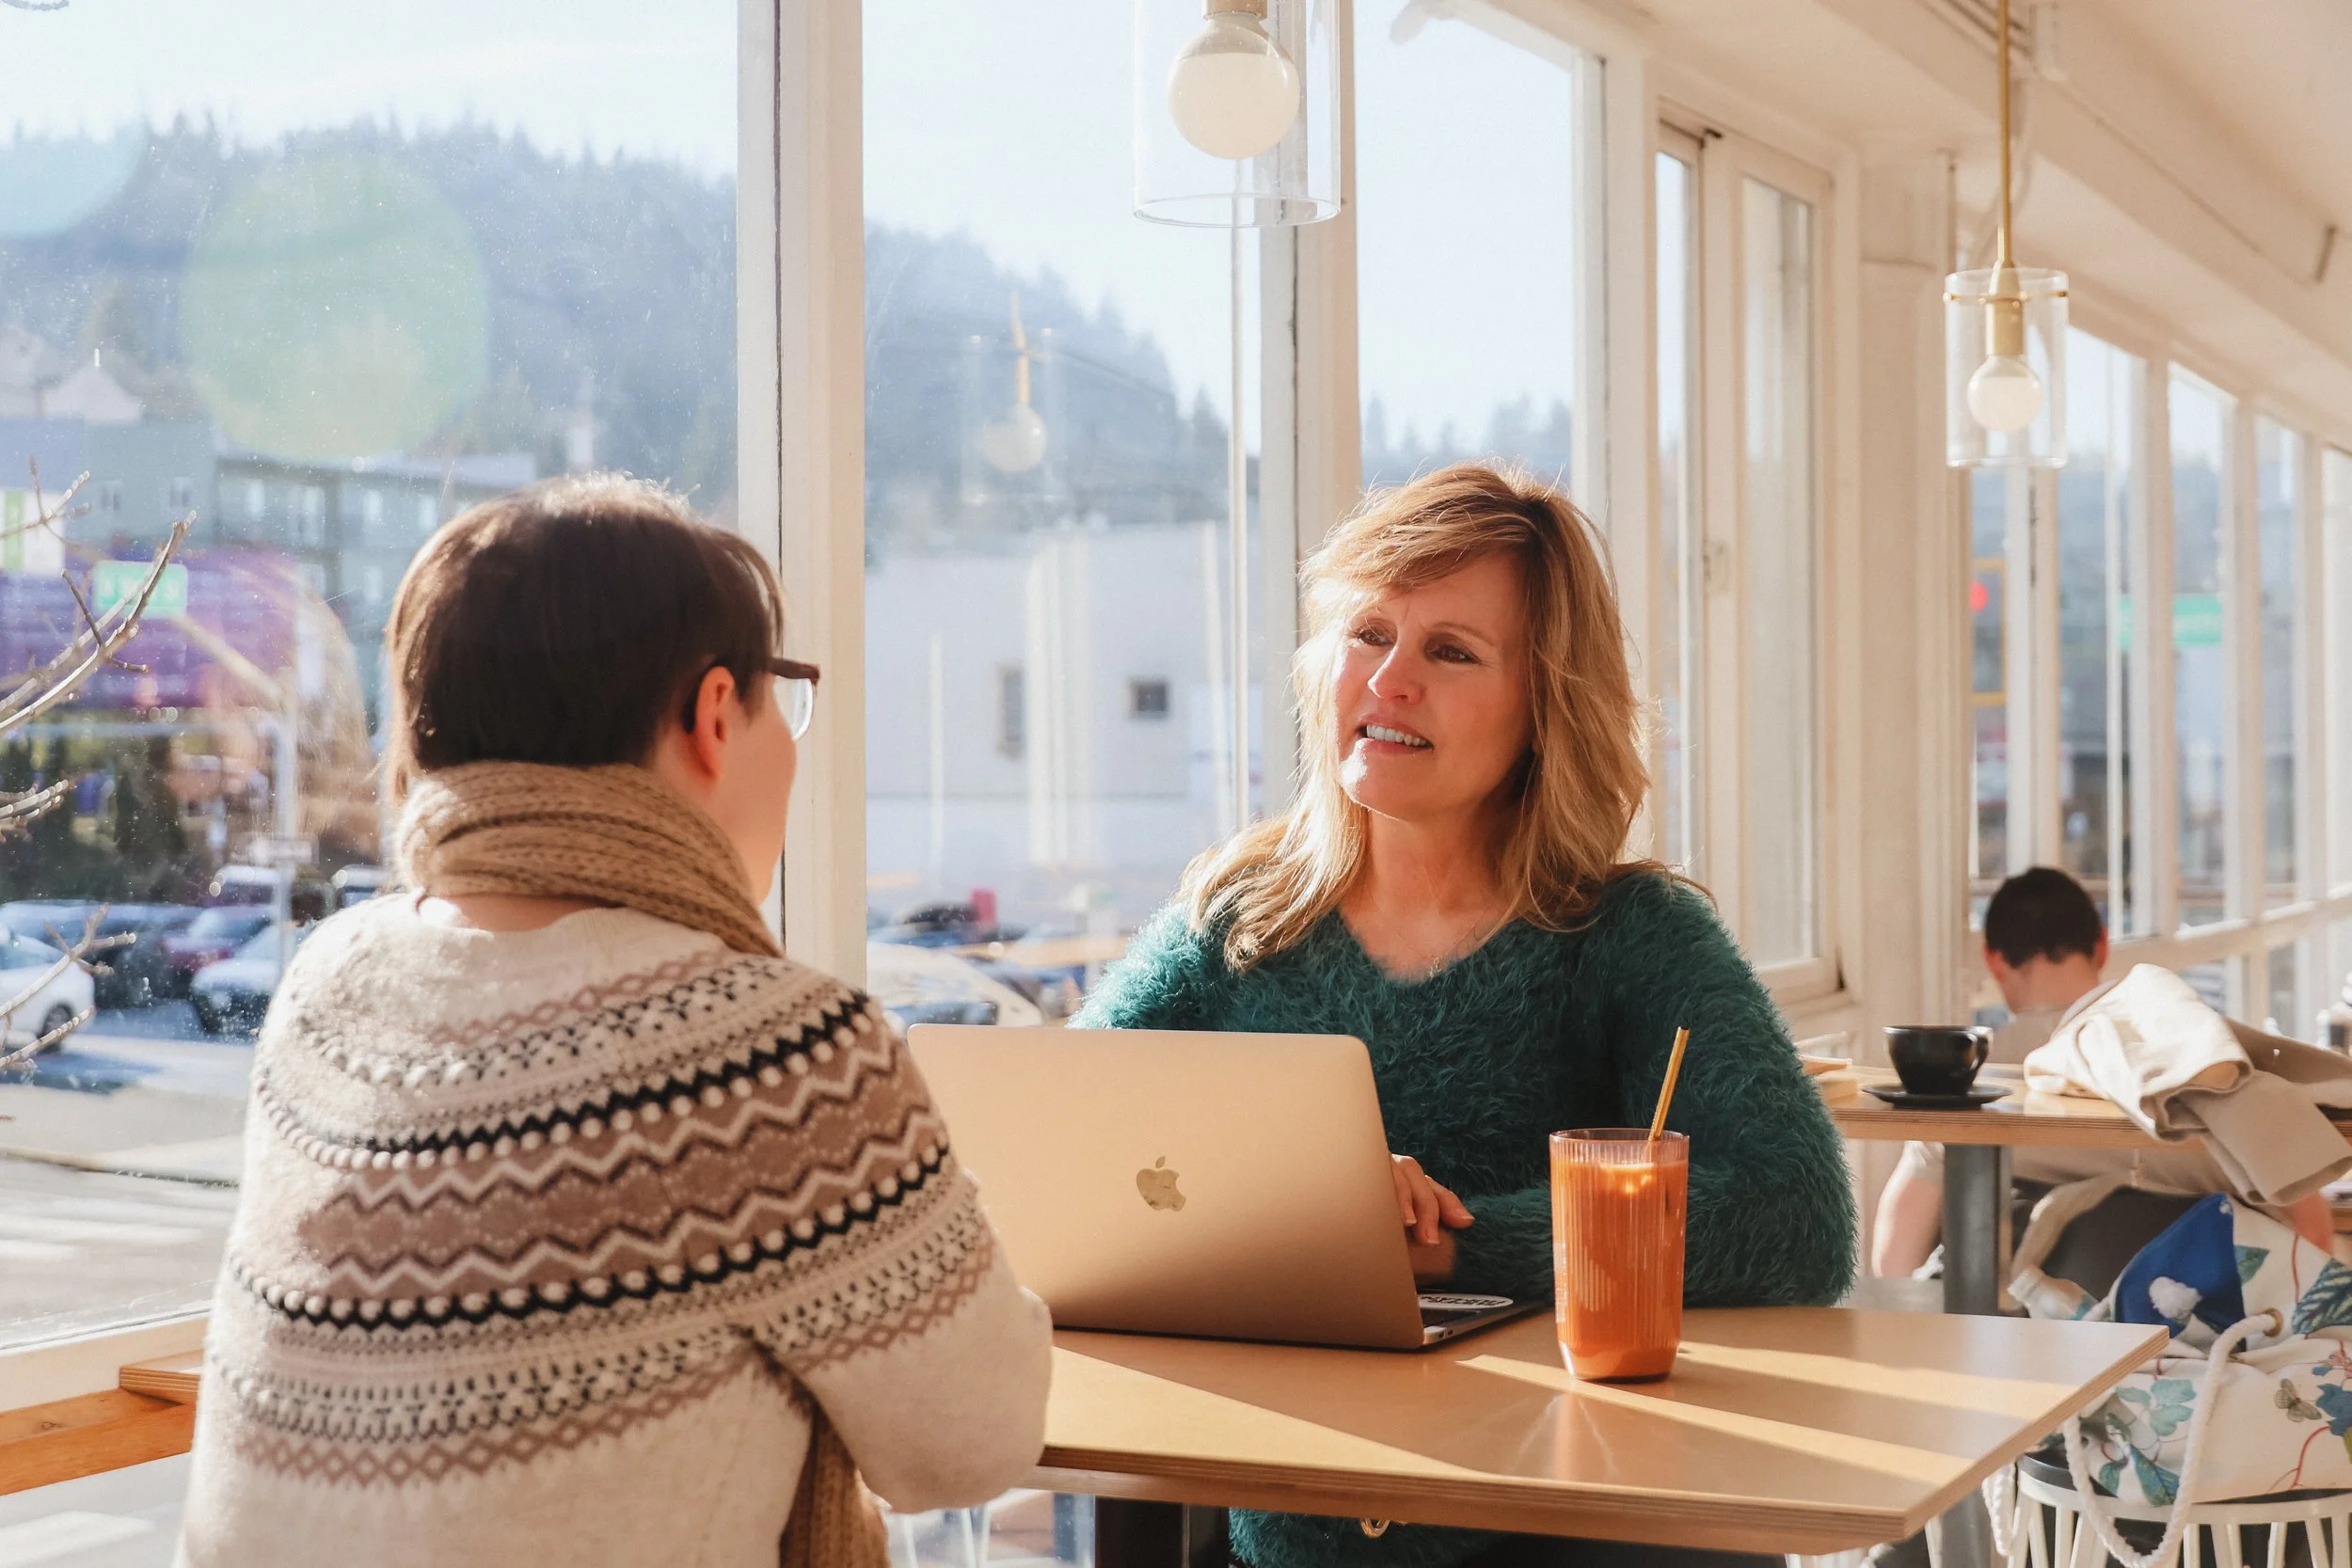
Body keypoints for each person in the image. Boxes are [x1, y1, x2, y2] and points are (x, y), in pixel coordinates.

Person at [176, 476, 1053, 1568]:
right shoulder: (770, 1054)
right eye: (786, 696)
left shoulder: (328, 987)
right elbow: (970, 1442)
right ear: (716, 712)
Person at [1076, 462, 1856, 1568]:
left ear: (1544, 704)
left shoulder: (1631, 933)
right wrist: (1328, 1214)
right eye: (1369, 632)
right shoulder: (1237, 918)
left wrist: (1453, 1248)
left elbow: (1799, 1217)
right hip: (1287, 1520)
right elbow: (1062, 1150)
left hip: (1569, 1527)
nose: (1391, 680)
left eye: (1451, 651)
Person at [1870, 866, 2331, 1279]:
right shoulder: (2201, 1076)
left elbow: (1893, 1265)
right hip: (2201, 1341)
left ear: (1994, 960)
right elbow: (2312, 1237)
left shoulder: (1968, 1092)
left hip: (2023, 1347)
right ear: (2102, 945)